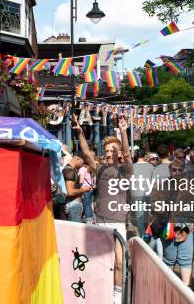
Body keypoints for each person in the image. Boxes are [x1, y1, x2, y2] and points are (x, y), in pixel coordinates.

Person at [74, 115, 132, 304]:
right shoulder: (99, 168)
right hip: (100, 221)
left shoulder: (125, 169)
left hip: (119, 223)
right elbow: (86, 152)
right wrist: (81, 133)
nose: (108, 153)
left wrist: (123, 132)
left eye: (112, 150)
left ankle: (117, 297)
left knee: (120, 263)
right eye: (106, 150)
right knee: (101, 262)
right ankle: (101, 294)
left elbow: (127, 153)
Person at [150, 160, 194, 287]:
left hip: (185, 225)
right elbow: (153, 204)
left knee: (185, 259)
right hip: (168, 225)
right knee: (169, 258)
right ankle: (167, 289)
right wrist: (160, 208)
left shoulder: (192, 185)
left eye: (180, 170)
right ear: (169, 170)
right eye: (174, 169)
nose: (176, 172)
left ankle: (187, 292)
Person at [62, 154, 91, 223]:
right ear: (77, 159)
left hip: (73, 205)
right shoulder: (70, 171)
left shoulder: (70, 170)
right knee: (74, 232)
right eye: (82, 163)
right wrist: (84, 189)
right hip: (73, 205)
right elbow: (70, 192)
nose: (82, 165)